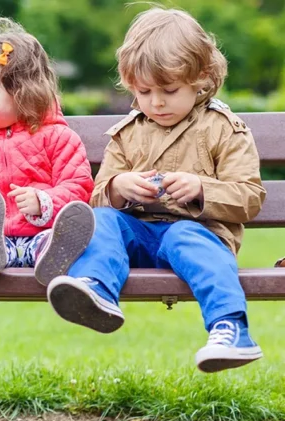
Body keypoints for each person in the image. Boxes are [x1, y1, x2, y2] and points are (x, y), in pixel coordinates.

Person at [46, 7, 267, 373]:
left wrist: (201, 189)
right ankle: (96, 289)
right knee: (102, 220)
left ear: (201, 77)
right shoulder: (128, 133)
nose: (156, 102)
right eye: (144, 91)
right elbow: (97, 197)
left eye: (169, 90)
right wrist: (119, 187)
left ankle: (231, 329)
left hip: (198, 237)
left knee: (183, 236)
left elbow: (249, 197)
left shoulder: (223, 128)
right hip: (139, 236)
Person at [0, 17, 95, 286]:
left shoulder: (57, 136)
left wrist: (43, 201)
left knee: (49, 241)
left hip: (42, 233)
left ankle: (52, 256)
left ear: (23, 92)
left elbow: (79, 187)